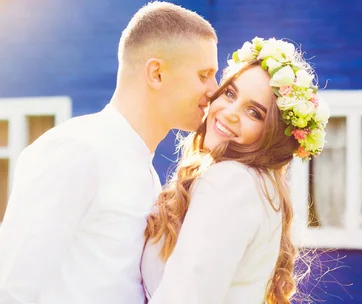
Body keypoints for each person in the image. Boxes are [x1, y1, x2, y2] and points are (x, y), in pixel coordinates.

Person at [0, 1, 219, 304]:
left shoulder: (147, 172)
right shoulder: (76, 150)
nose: (215, 89)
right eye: (204, 74)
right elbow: (8, 292)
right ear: (156, 73)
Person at [141, 37, 330, 304]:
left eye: (254, 112)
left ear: (274, 134)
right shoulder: (262, 186)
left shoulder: (232, 182)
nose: (229, 112)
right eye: (230, 93)